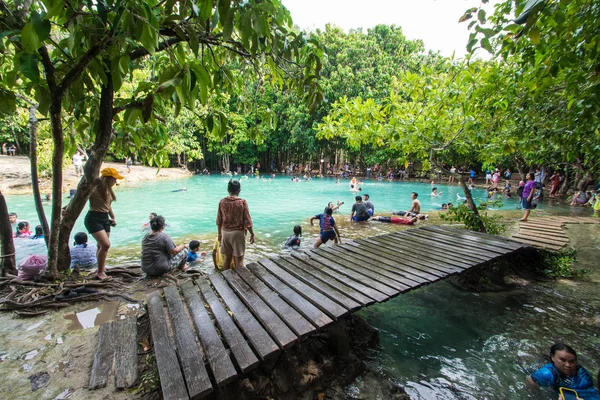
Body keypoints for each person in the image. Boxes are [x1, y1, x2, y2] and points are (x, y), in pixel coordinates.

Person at [84, 167, 124, 280]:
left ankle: (100, 267)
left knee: (100, 245)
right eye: (114, 179)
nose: (116, 182)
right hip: (93, 218)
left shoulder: (108, 189)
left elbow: (108, 205)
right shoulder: (94, 188)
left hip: (104, 218)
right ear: (108, 178)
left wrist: (113, 217)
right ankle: (100, 272)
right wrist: (67, 209)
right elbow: (81, 199)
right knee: (106, 245)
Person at [527, 343, 600, 399]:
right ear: (552, 357)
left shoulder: (580, 370)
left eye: (572, 361)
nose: (568, 365)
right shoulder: (547, 374)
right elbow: (530, 382)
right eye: (562, 360)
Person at [216, 180, 255, 269]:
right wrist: (252, 234)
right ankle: (239, 281)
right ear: (239, 190)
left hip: (225, 232)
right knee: (239, 260)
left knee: (227, 259)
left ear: (228, 190)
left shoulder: (222, 202)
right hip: (237, 233)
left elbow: (219, 220)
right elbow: (248, 221)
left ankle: (226, 279)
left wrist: (219, 234)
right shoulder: (242, 202)